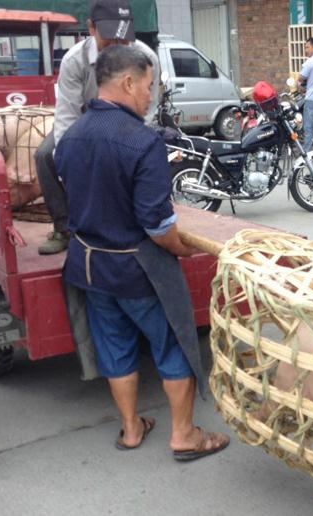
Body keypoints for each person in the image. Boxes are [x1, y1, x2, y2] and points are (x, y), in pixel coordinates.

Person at [55, 45, 229, 458]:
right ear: (128, 83)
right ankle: (185, 435)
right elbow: (156, 225)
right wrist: (184, 249)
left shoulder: (70, 136)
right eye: (149, 86)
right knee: (173, 345)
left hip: (90, 267)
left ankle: (132, 428)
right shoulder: (142, 142)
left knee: (115, 347)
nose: (151, 96)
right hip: (137, 269)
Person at [35, 0, 160, 255]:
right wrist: (69, 166)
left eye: (122, 39)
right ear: (91, 28)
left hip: (129, 126)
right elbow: (67, 117)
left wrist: (135, 149)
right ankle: (63, 228)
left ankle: (142, 219)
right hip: (85, 125)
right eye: (109, 38)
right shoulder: (74, 61)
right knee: (45, 155)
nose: (116, 46)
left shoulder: (146, 58)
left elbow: (150, 112)